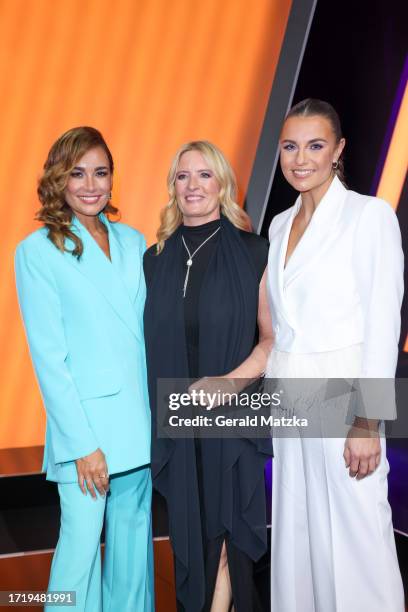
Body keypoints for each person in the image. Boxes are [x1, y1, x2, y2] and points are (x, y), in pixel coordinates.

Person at [266, 98, 405, 611]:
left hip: (345, 399)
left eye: (315, 145)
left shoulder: (369, 217)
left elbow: (383, 325)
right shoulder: (279, 225)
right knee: (298, 532)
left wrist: (368, 420)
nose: (301, 158)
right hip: (290, 398)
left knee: (357, 534)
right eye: (290, 146)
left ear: (338, 150)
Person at [15, 127, 153, 611]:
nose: (91, 184)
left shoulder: (135, 242)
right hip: (88, 434)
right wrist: (81, 444)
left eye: (100, 172)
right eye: (77, 173)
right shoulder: (37, 251)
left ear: (113, 179)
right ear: (59, 179)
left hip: (138, 422)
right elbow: (49, 360)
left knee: (134, 548)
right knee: (78, 553)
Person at [143, 140, 273, 611]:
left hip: (231, 419)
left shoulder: (254, 252)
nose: (192, 185)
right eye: (182, 176)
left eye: (203, 174)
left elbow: (270, 340)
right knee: (188, 545)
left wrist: (230, 383)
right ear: (172, 187)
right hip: (179, 422)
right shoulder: (154, 258)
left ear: (222, 185)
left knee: (224, 542)